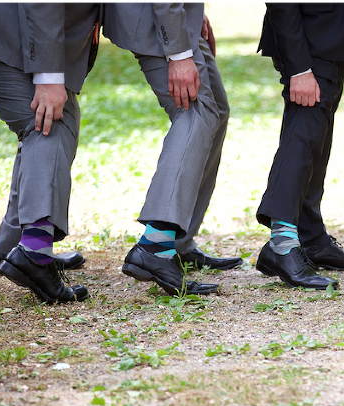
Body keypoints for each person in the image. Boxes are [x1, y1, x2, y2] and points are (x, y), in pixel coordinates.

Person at [0, 3, 99, 303]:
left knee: (56, 117)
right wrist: (49, 75)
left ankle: (14, 246)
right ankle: (34, 253)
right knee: (49, 124)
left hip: (1, 21)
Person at [102, 3, 241, 296]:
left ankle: (178, 241)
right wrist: (178, 53)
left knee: (215, 111)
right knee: (196, 112)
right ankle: (157, 245)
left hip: (176, 16)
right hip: (155, 19)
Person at [254, 3, 344, 290]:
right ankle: (282, 244)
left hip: (332, 29)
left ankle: (311, 238)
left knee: (317, 138)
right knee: (302, 136)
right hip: (305, 37)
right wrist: (299, 68)